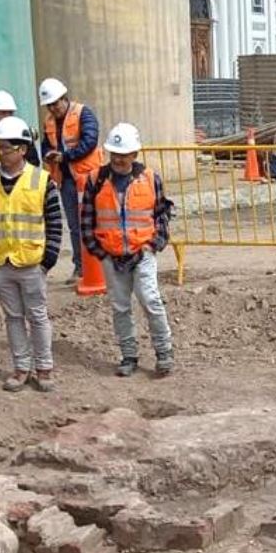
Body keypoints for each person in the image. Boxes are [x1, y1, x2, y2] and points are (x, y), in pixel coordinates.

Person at [0, 116, 60, 392]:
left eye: (6, 148)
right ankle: (21, 367)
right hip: (1, 261)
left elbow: (55, 221)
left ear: (22, 149)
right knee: (12, 317)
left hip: (31, 261)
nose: (0, 153)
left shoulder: (41, 180)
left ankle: (44, 368)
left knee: (37, 315)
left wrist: (49, 258)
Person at [80, 122, 174, 378]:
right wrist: (99, 251)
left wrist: (153, 245)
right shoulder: (96, 180)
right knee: (120, 307)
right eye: (116, 154)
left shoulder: (150, 179)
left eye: (125, 154)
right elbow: (86, 219)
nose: (120, 159)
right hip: (111, 255)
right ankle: (128, 355)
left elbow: (162, 215)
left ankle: (164, 351)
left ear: (135, 154)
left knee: (150, 300)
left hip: (142, 252)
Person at [37, 77, 100, 285]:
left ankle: (99, 265)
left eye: (55, 104)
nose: (52, 109)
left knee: (92, 223)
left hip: (88, 178)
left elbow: (90, 141)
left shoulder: (83, 114)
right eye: (49, 105)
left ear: (64, 99)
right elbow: (46, 145)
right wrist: (47, 155)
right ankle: (80, 267)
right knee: (74, 226)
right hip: (67, 180)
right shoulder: (49, 121)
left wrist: (65, 156)